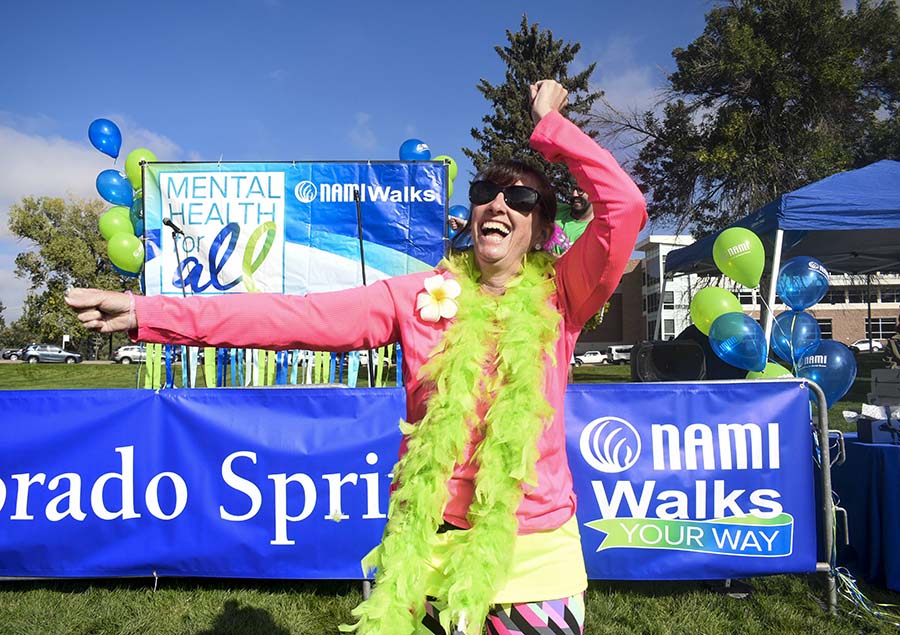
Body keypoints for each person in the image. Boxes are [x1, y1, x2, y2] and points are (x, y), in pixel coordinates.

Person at [67, 79, 646, 635]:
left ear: (542, 227)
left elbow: (624, 207)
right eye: (484, 194)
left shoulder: (565, 293)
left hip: (533, 552)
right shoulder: (418, 298)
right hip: (425, 547)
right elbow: (292, 318)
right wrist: (148, 314)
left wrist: (552, 126)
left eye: (520, 198)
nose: (498, 203)